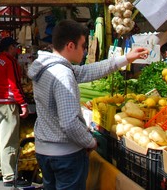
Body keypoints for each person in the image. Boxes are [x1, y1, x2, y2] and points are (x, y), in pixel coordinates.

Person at [27, 19, 148, 190]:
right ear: (70, 46)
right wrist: (89, 142)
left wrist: (126, 58)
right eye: (83, 46)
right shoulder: (62, 74)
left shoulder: (46, 67)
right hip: (65, 155)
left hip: (45, 150)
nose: (85, 52)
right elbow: (69, 123)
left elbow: (87, 71)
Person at [0, 37, 29, 185]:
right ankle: (9, 175)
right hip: (7, 103)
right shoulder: (10, 62)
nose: (17, 50)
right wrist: (23, 103)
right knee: (9, 139)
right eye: (15, 47)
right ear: (10, 48)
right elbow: (14, 84)